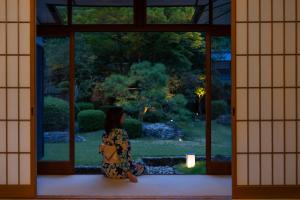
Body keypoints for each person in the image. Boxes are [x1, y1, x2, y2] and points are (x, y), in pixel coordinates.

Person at [100, 107, 144, 182]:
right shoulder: (120, 133)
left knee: (136, 164)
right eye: (122, 114)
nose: (124, 115)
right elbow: (123, 155)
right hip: (118, 171)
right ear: (117, 117)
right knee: (142, 166)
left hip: (106, 170)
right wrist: (130, 175)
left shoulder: (106, 133)